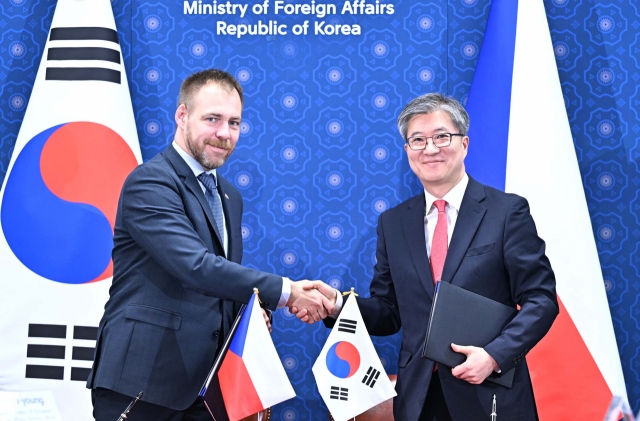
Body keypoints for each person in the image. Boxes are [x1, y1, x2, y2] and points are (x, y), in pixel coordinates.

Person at [87, 69, 335, 421]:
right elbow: (195, 267)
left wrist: (249, 310)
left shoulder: (229, 195)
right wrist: (287, 292)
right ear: (182, 116)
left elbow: (218, 284)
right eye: (213, 119)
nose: (224, 133)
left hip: (207, 390)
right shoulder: (150, 182)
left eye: (234, 123)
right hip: (143, 385)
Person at [296, 93, 558, 421]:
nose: (430, 149)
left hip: (488, 391)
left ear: (464, 143)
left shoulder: (506, 212)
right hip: (419, 400)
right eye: (418, 140)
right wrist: (337, 304)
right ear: (407, 152)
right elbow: (389, 312)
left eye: (441, 137)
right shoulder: (393, 223)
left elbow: (541, 299)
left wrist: (494, 356)